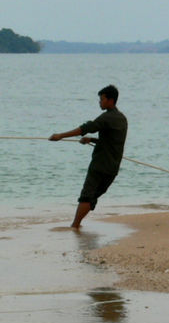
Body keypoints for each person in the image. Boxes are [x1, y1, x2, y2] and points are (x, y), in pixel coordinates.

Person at [49, 85, 128, 229]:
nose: (100, 102)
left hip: (100, 165)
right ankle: (77, 226)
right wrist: (91, 140)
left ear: (110, 100)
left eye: (102, 99)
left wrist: (60, 135)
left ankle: (74, 226)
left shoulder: (107, 117)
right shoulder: (122, 119)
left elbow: (86, 128)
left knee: (87, 196)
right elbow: (111, 141)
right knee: (92, 197)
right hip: (113, 168)